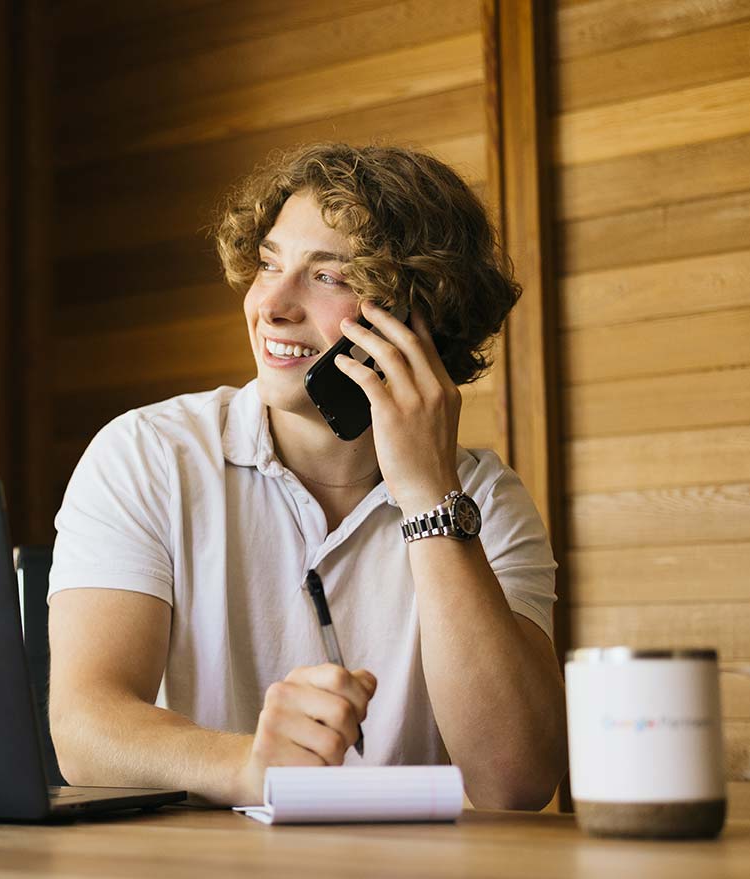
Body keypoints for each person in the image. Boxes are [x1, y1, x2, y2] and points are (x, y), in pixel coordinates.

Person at [45, 143, 566, 810]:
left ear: (417, 320)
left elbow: (514, 780)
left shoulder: (484, 500)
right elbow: (84, 732)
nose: (273, 305)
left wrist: (429, 496)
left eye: (329, 276)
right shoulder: (148, 455)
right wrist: (251, 768)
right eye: (269, 265)